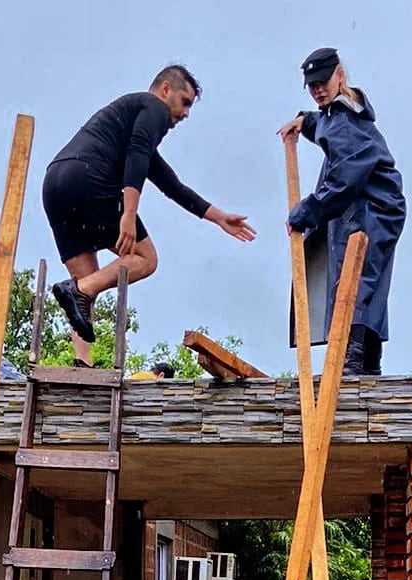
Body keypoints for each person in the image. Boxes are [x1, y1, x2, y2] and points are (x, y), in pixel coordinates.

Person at [43, 65, 256, 367]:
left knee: (86, 281)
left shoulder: (129, 124)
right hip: (88, 177)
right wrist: (129, 214)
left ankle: (83, 363)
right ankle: (78, 290)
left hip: (55, 183)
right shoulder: (152, 106)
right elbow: (138, 154)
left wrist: (219, 217)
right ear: (166, 89)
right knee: (145, 259)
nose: (185, 114)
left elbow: (172, 185)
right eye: (185, 102)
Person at [279, 48, 406, 376]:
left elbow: (341, 182)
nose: (317, 89)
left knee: (356, 280)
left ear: (340, 75)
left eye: (323, 82)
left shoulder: (345, 119)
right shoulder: (339, 113)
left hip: (369, 208)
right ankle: (367, 366)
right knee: (369, 282)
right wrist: (305, 121)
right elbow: (324, 123)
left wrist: (304, 212)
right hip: (374, 206)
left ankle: (349, 365)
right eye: (311, 85)